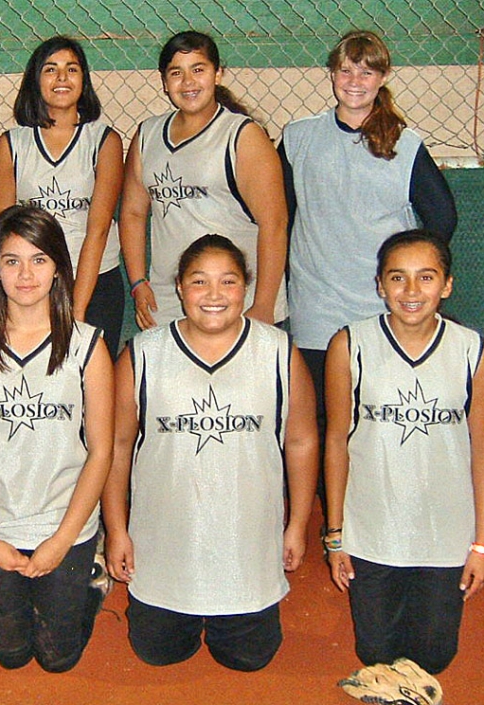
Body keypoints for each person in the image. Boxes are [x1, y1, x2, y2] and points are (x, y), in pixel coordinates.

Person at [103, 235, 318, 671]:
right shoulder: (143, 354)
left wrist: (296, 524)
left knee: (250, 658)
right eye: (200, 282)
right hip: (164, 544)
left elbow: (301, 441)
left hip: (246, 545)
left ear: (247, 287)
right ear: (180, 288)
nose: (214, 295)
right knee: (157, 653)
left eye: (229, 282)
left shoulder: (277, 352)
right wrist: (116, 529)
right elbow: (116, 445)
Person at [280, 30, 457, 516]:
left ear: (382, 78)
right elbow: (280, 216)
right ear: (332, 74)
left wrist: (411, 283)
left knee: (377, 418)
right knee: (319, 419)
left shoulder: (405, 143)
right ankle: (333, 520)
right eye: (346, 69)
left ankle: (384, 514)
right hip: (317, 308)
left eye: (368, 70)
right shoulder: (298, 138)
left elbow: (441, 218)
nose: (355, 80)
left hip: (380, 311)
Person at [0, 205, 114, 672]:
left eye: (39, 259)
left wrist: (64, 539)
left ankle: (89, 585)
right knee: (10, 655)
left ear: (59, 267)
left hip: (65, 523)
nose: (25, 273)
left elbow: (101, 452)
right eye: (11, 260)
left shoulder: (87, 346)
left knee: (58, 658)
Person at [323, 229, 484, 674]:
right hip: (373, 532)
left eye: (426, 277)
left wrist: (481, 544)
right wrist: (336, 535)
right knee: (375, 655)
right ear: (379, 285)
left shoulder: (471, 349)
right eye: (398, 278)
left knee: (435, 658)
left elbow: (483, 448)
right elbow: (336, 441)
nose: (412, 291)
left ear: (447, 285)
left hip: (444, 534)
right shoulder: (350, 345)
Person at [121, 31, 287, 331]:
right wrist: (137, 281)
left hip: (235, 299)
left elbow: (274, 223)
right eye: (176, 73)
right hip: (170, 298)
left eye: (198, 70)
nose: (188, 83)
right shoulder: (147, 135)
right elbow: (132, 213)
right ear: (164, 81)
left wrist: (263, 303)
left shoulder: (243, 135)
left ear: (218, 74)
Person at [0, 36, 124, 360]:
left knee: (91, 384)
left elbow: (99, 230)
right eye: (51, 69)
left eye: (72, 69)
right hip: (31, 284)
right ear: (36, 80)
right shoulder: (12, 144)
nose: (62, 78)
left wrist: (75, 311)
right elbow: (3, 232)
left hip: (94, 283)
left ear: (84, 80)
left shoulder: (104, 140)